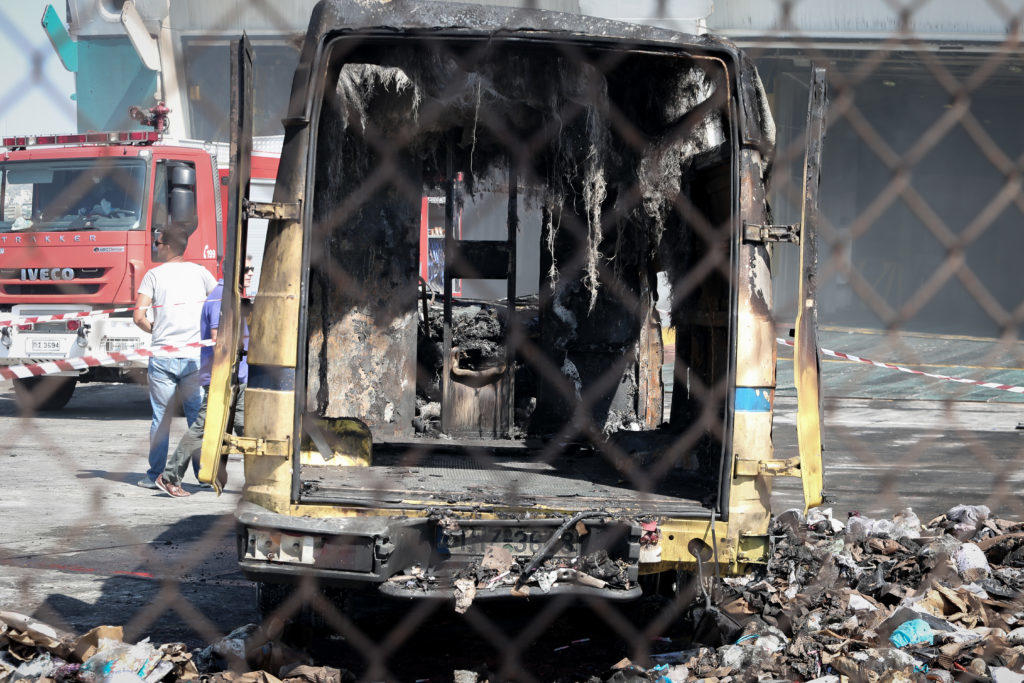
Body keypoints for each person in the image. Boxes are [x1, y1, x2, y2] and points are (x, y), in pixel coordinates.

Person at [155, 261, 254, 497]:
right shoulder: (221, 298)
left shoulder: (233, 297)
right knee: (202, 428)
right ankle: (169, 477)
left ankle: (257, 481)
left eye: (251, 269)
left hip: (237, 376)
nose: (250, 273)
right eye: (246, 269)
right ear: (232, 271)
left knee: (245, 428)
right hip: (222, 377)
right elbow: (218, 338)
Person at [133, 225, 217, 488]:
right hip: (194, 356)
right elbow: (220, 303)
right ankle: (202, 475)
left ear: (167, 246)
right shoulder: (202, 274)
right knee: (196, 417)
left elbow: (138, 316)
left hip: (162, 356)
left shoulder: (153, 276)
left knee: (161, 417)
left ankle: (155, 475)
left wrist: (156, 329)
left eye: (158, 243)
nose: (155, 247)